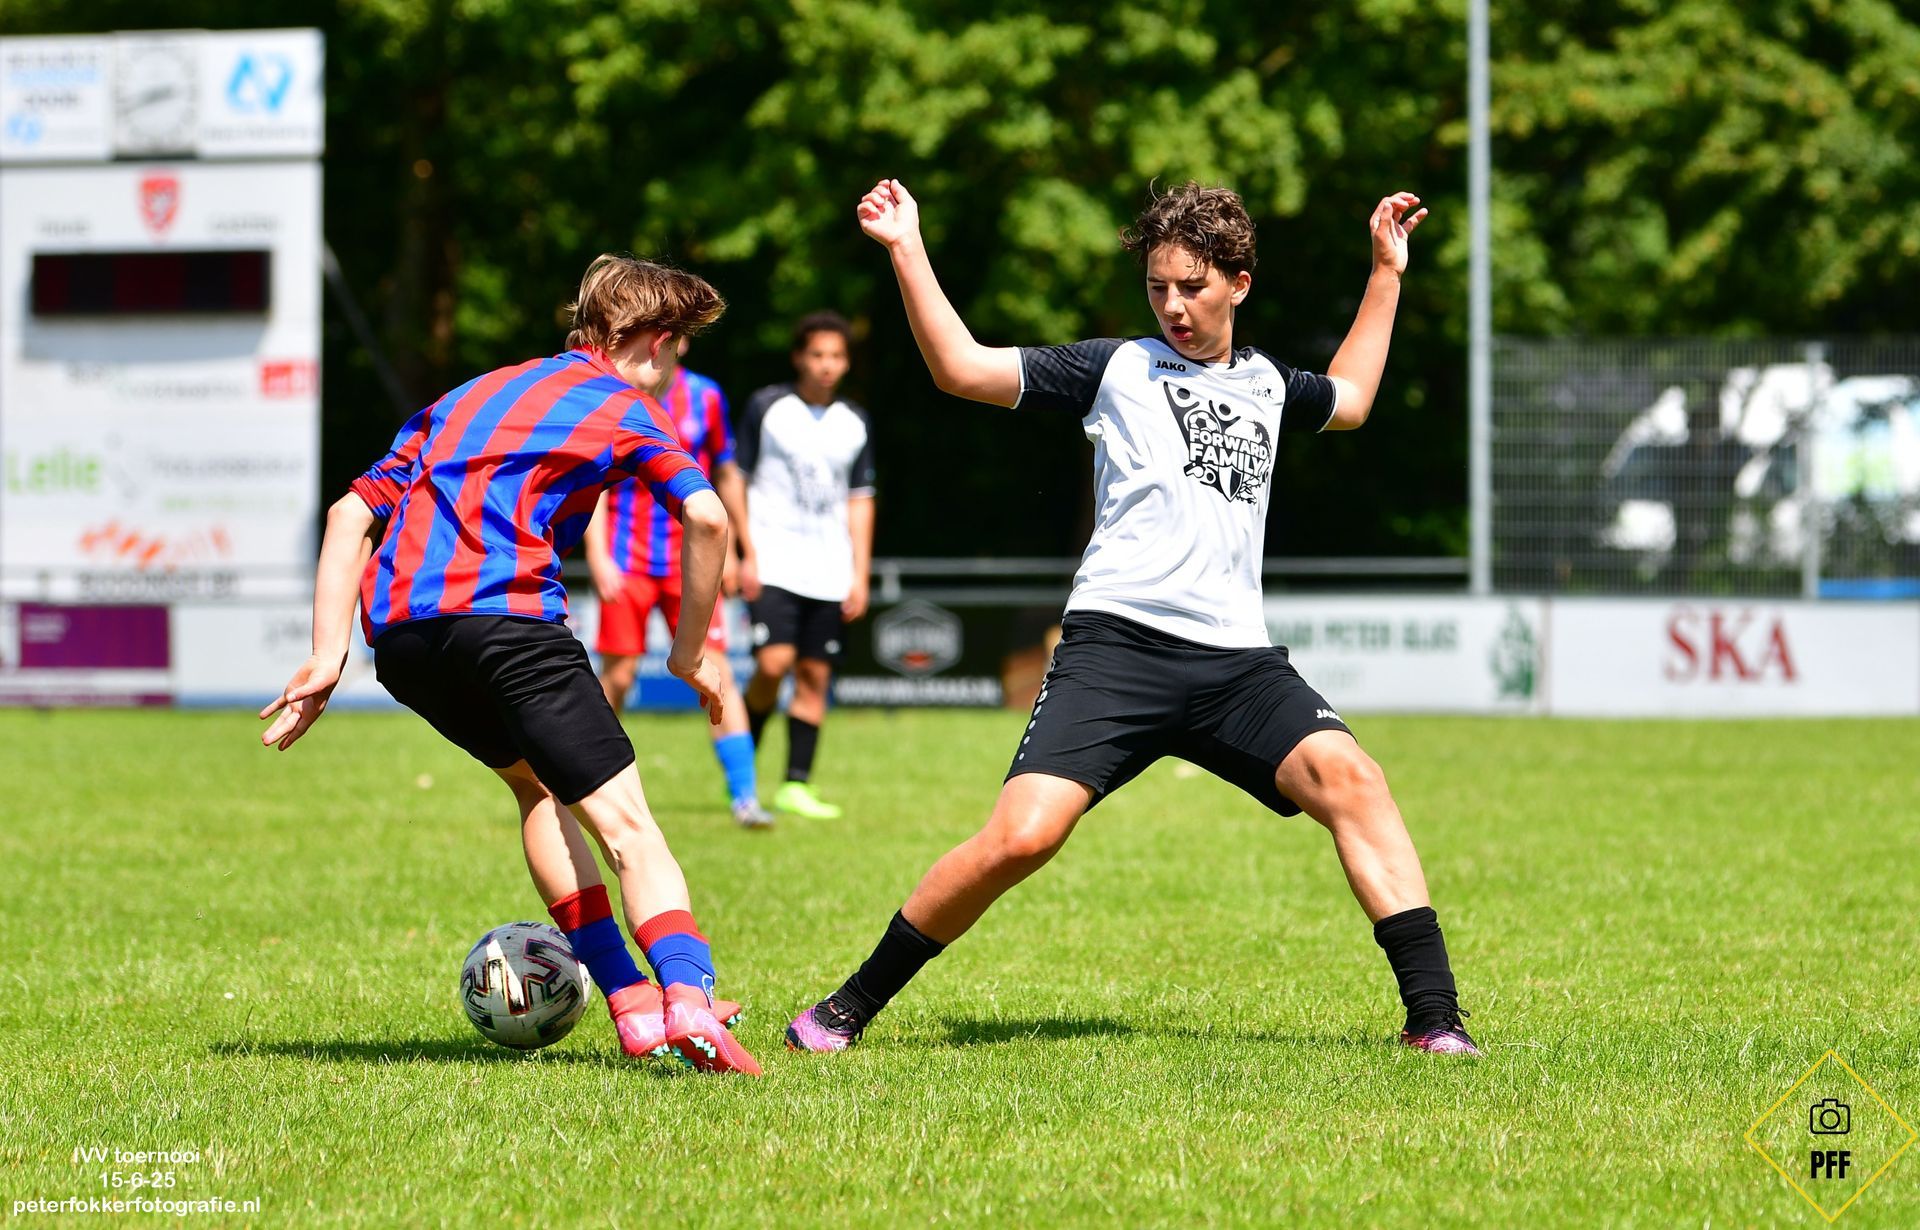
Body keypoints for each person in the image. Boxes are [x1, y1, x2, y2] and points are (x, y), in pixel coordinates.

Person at [786, 179, 1480, 1058]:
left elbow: (1352, 399)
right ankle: (844, 1008)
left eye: (1192, 286)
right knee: (1022, 837)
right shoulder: (1115, 367)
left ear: (1239, 283)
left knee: (1355, 781)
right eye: (1158, 287)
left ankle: (1435, 1021)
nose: (1173, 306)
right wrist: (906, 247)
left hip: (1237, 665)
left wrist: (1386, 271)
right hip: (1116, 650)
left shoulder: (1268, 384)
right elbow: (960, 367)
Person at [259, 254, 762, 1075]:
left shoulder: (469, 394)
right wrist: (689, 652)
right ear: (656, 340)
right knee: (629, 830)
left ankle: (630, 1003)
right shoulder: (621, 406)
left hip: (405, 644)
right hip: (511, 625)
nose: (677, 368)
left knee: (536, 787)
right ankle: (687, 998)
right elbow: (707, 519)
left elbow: (352, 512)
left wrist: (326, 655)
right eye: (681, 349)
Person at [584, 341, 773, 829]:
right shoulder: (614, 393)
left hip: (692, 561)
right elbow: (592, 477)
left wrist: (735, 549)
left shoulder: (706, 396)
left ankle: (745, 798)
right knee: (618, 677)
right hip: (626, 561)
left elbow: (725, 473)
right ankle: (584, 785)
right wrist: (597, 554)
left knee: (717, 672)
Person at [735, 311, 876, 821]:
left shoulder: (854, 421)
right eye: (817, 354)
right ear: (799, 357)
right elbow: (735, 479)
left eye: (836, 356)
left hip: (830, 569)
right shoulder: (767, 407)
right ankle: (741, 774)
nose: (826, 365)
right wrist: (744, 552)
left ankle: (796, 784)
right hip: (773, 561)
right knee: (773, 664)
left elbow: (860, 499)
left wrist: (859, 573)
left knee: (815, 674)